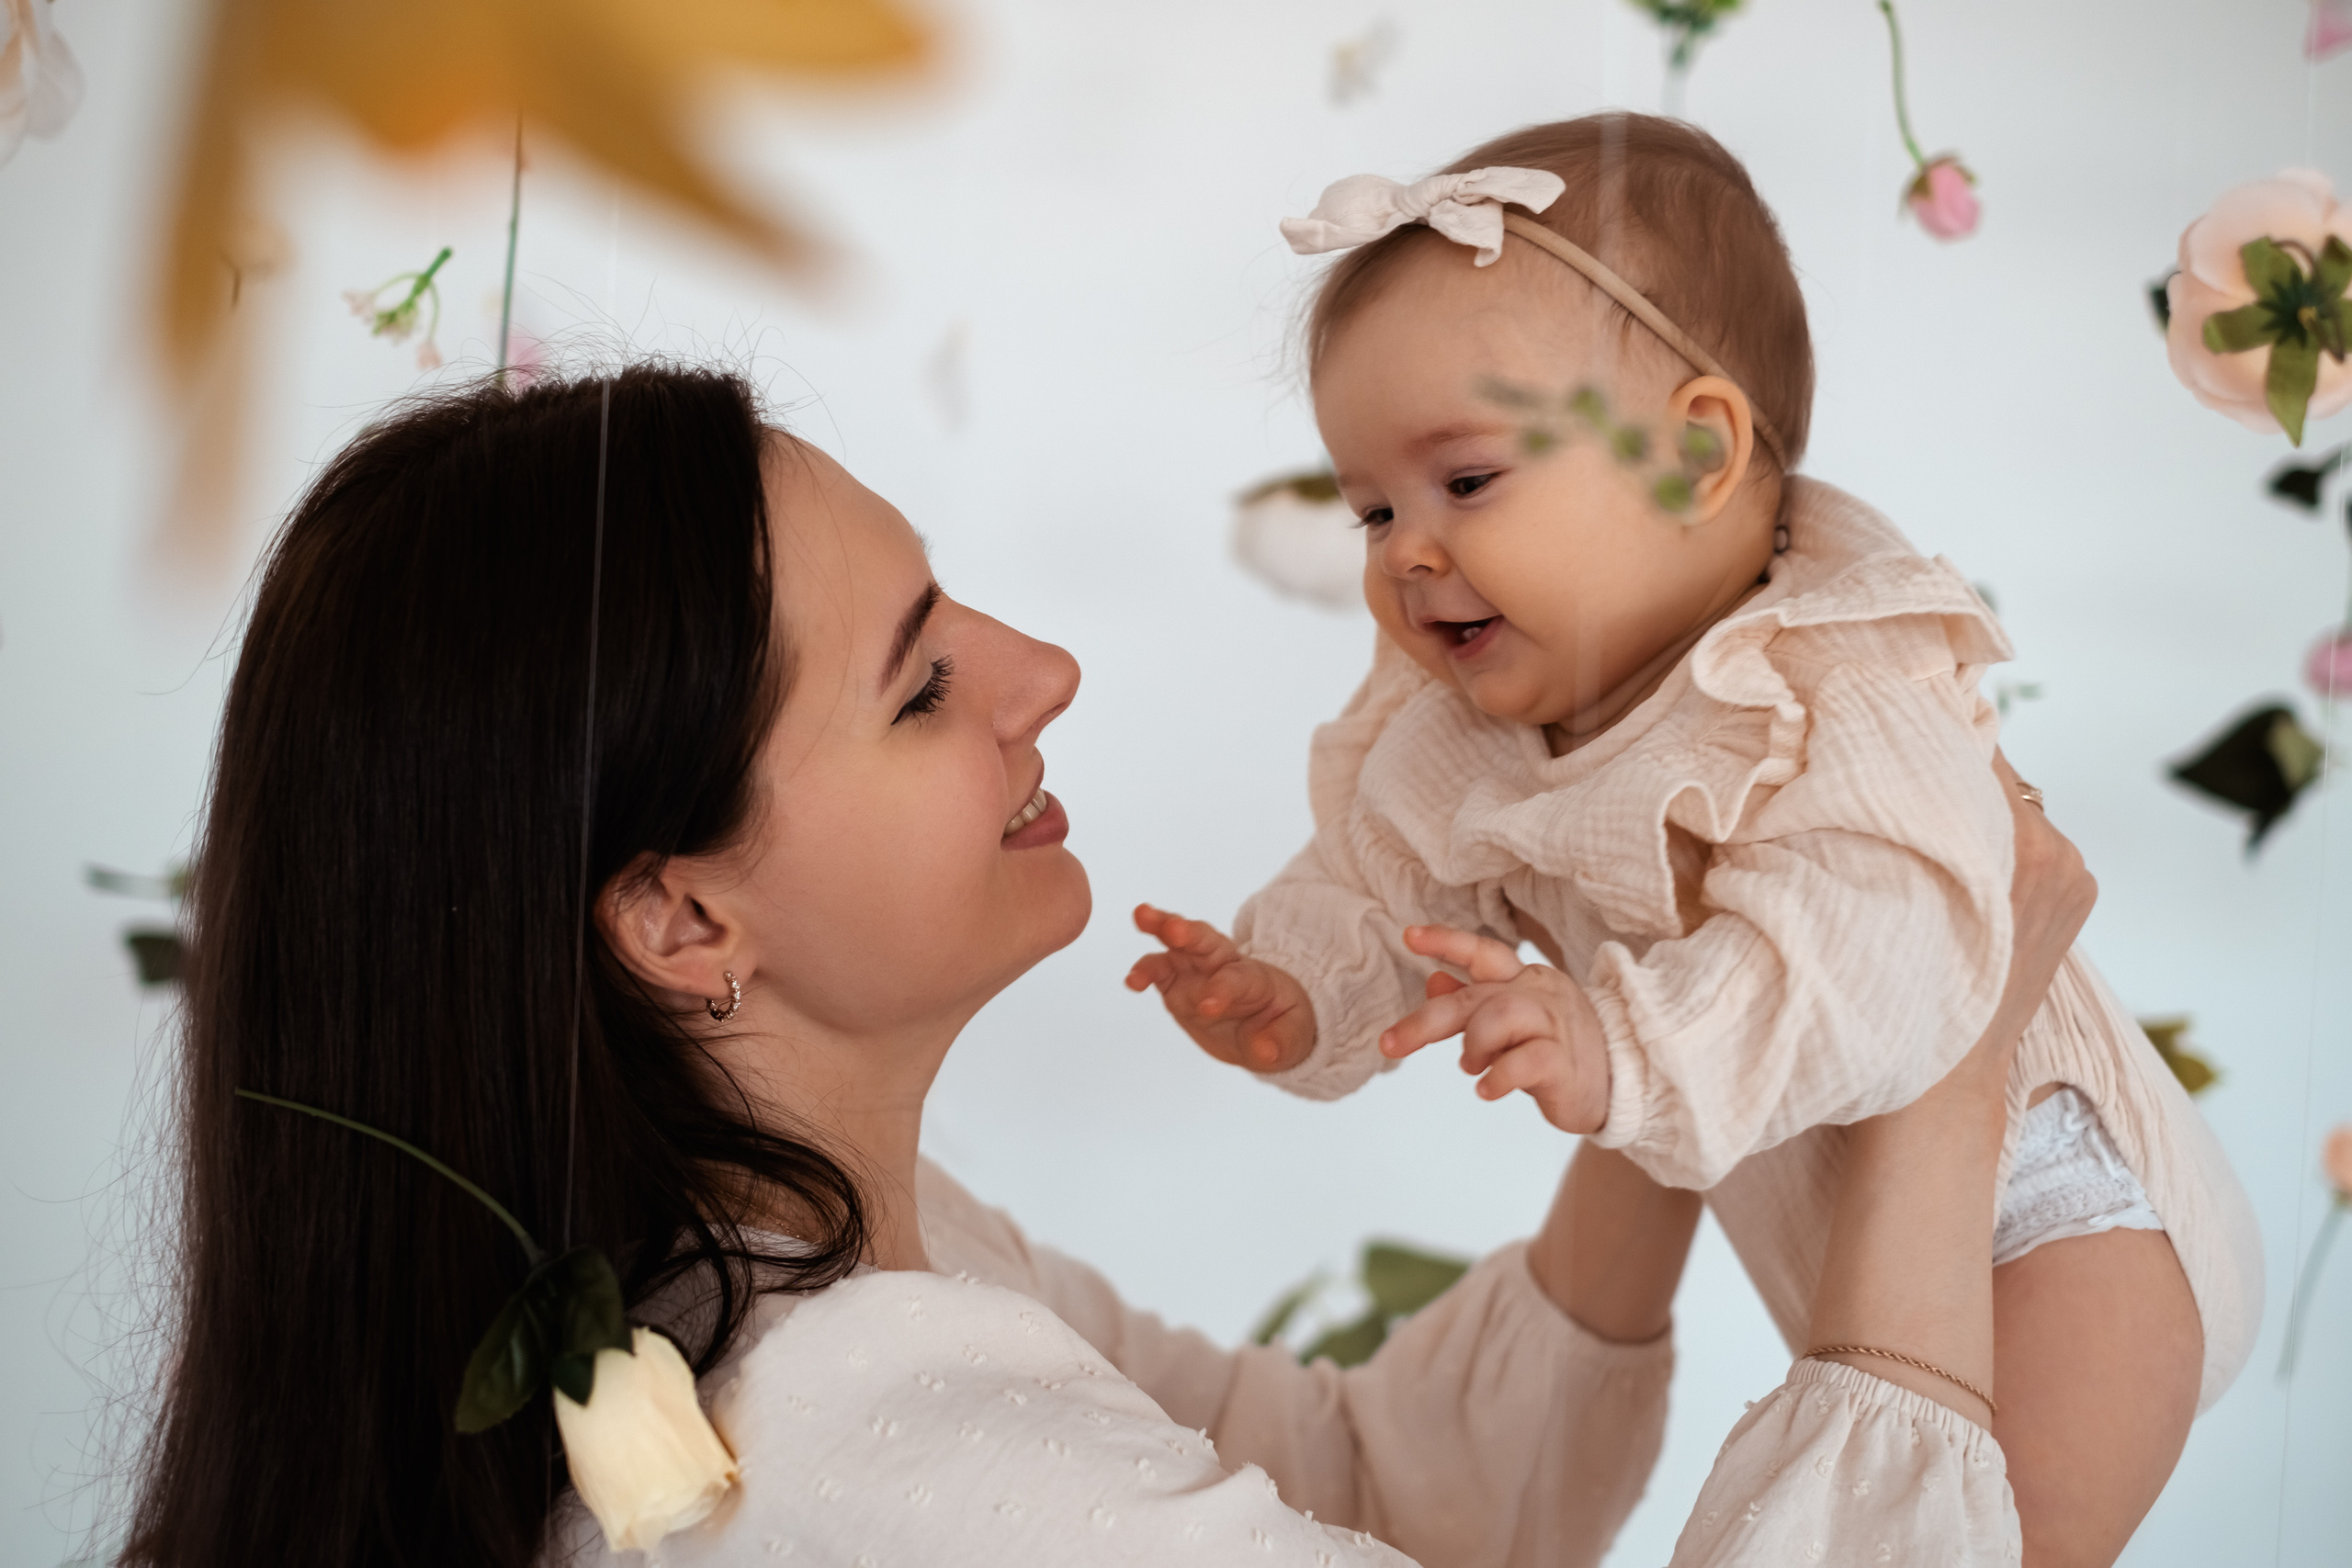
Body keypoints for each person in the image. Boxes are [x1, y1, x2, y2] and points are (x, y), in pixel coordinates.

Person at [125, 365, 2085, 1568]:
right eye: (917, 682)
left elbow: (1374, 1489)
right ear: (679, 917)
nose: (1039, 672)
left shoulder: (774, 1277)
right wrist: (1941, 1031)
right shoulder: (829, 1450)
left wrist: (1669, 962)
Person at [1126, 116, 2259, 1565]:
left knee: (2006, 1539)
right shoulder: (1453, 729)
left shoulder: (1833, 676)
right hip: (1836, 1245)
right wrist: (1299, 989)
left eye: (1466, 483)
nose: (1409, 550)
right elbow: (1375, 889)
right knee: (1887, 1498)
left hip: (2058, 1225)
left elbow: (1885, 941)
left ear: (1693, 456)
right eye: (1371, 509)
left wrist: (1622, 1048)